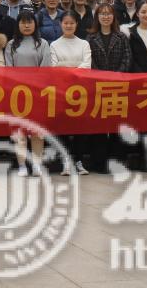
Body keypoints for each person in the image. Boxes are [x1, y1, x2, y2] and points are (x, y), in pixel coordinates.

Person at [5, 10, 52, 175]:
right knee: (20, 132)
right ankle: (22, 166)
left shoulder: (42, 44)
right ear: (18, 25)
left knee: (37, 132)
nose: (26, 25)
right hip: (17, 94)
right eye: (23, 22)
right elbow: (8, 70)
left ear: (35, 24)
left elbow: (46, 69)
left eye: (30, 22)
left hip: (37, 94)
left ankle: (37, 164)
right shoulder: (11, 45)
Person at [87, 2, 130, 174]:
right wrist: (101, 77)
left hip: (118, 87)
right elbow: (89, 61)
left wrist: (116, 76)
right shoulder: (90, 38)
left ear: (114, 17)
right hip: (97, 88)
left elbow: (127, 59)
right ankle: (99, 163)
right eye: (102, 14)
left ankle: (117, 162)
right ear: (97, 17)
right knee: (99, 127)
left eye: (109, 13)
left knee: (117, 127)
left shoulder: (121, 37)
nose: (106, 17)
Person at [50, 11, 91, 175]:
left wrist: (65, 65)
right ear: (61, 24)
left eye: (71, 23)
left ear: (76, 24)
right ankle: (65, 161)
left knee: (80, 128)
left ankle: (78, 161)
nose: (68, 26)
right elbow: (54, 68)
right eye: (65, 23)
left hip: (81, 92)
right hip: (61, 92)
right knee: (63, 128)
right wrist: (75, 66)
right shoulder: (54, 45)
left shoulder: (84, 44)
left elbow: (86, 66)